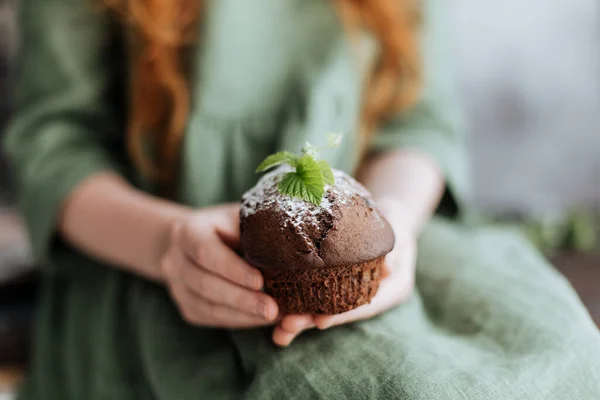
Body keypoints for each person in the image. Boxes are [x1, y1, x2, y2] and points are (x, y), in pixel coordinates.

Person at [4, 0, 600, 398]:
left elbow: (419, 122)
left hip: (387, 221)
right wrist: (165, 246)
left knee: (562, 354)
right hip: (150, 258)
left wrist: (396, 218)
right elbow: (53, 147)